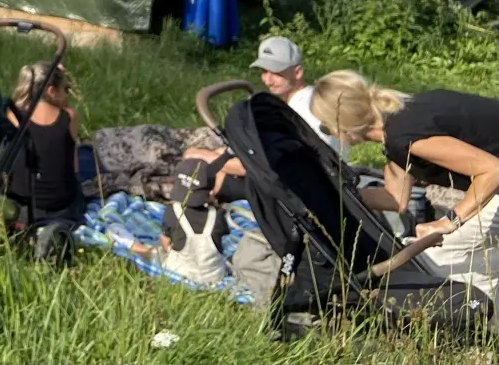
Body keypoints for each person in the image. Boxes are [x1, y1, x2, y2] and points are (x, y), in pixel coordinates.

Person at [311, 71, 499, 296]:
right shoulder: (400, 122)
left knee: (438, 260)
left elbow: (492, 170)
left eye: (325, 125)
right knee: (461, 256)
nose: (328, 132)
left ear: (342, 124)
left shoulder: (404, 134)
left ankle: (480, 310)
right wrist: (338, 195)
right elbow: (396, 197)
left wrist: (448, 221)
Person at [185, 37, 341, 203]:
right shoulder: (311, 98)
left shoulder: (294, 115)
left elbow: (255, 167)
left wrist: (204, 156)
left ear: (298, 72)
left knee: (199, 172)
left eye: (276, 73)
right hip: (322, 181)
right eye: (264, 72)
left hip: (301, 194)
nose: (267, 80)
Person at [3, 63, 84, 226]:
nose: (66, 94)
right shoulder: (69, 116)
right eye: (65, 89)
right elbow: (73, 165)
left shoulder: (12, 114)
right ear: (51, 91)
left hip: (22, 207)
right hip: (62, 207)